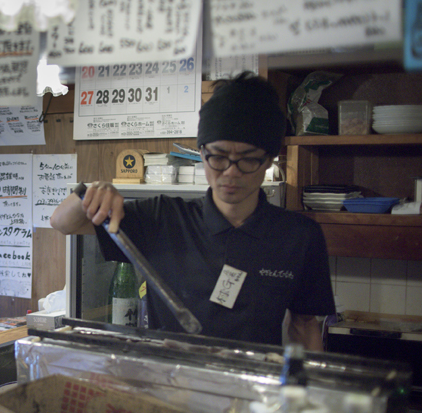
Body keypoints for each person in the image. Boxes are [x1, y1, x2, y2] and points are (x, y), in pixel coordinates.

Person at [50, 72, 335, 351]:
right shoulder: (162, 217)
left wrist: (305, 391)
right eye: (218, 157)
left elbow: (304, 325)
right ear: (201, 152)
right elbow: (62, 223)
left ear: (270, 159)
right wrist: (91, 192)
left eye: (248, 160)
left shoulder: (299, 236)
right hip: (168, 387)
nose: (230, 173)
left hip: (253, 390)